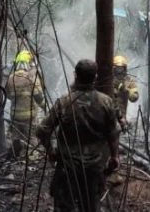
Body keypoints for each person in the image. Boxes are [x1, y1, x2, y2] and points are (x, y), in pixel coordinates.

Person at [37, 59, 120, 212]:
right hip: (95, 168)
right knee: (90, 206)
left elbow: (42, 130)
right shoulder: (106, 102)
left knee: (64, 207)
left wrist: (51, 152)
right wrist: (114, 156)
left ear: (75, 76)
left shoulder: (64, 102)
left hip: (68, 167)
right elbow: (113, 133)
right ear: (95, 78)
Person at [5, 50, 46, 158]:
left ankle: (14, 158)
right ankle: (32, 160)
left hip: (15, 116)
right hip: (29, 117)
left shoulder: (10, 78)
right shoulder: (32, 77)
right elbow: (39, 98)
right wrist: (47, 108)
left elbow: (8, 96)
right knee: (31, 139)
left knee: (16, 138)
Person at [112, 55, 140, 131]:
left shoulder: (129, 81)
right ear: (113, 67)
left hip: (121, 114)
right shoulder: (108, 79)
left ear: (125, 68)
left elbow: (134, 97)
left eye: (121, 67)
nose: (119, 69)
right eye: (117, 67)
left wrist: (125, 89)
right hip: (107, 112)